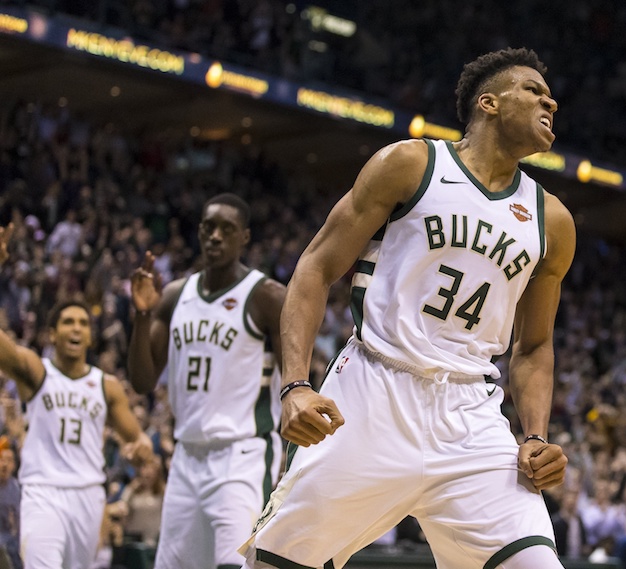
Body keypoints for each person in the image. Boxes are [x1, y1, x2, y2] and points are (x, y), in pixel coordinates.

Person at [241, 46, 574, 569]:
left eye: (550, 96)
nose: (549, 102)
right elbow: (316, 268)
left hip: (471, 415)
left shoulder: (551, 220)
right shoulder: (412, 164)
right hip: (372, 394)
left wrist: (534, 435)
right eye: (533, 90)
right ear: (488, 102)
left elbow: (533, 346)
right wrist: (296, 384)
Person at [128, 193, 286, 569]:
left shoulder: (266, 297)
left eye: (227, 229)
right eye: (209, 227)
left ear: (244, 237)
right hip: (186, 456)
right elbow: (142, 381)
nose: (215, 236)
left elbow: (294, 380)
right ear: (199, 232)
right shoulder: (173, 296)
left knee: (235, 565)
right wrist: (142, 316)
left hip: (242, 454)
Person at [0, 224, 153, 569]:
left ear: (90, 337)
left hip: (88, 495)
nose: (76, 328)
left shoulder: (106, 386)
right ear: (52, 334)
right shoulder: (36, 372)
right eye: (68, 322)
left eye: (83, 323)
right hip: (42, 491)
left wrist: (141, 448)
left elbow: (136, 438)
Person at [0, 448, 21, 569]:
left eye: (9, 460)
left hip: (10, 543)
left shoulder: (16, 489)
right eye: (1, 459)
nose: (5, 464)